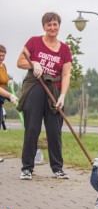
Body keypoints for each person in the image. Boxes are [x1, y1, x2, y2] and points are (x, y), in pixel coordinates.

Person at [17, 12, 72, 180]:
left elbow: (65, 74)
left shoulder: (64, 49)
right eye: (49, 25)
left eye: (55, 24)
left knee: (54, 130)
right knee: (32, 128)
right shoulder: (33, 42)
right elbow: (20, 62)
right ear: (44, 27)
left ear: (59, 26)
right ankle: (27, 168)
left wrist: (62, 95)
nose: (52, 28)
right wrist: (34, 63)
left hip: (53, 90)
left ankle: (57, 168)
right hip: (35, 86)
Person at [0, 45, 15, 129]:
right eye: (0, 55)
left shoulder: (3, 66)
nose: (1, 58)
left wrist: (9, 81)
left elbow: (4, 80)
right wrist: (10, 95)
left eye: (3, 55)